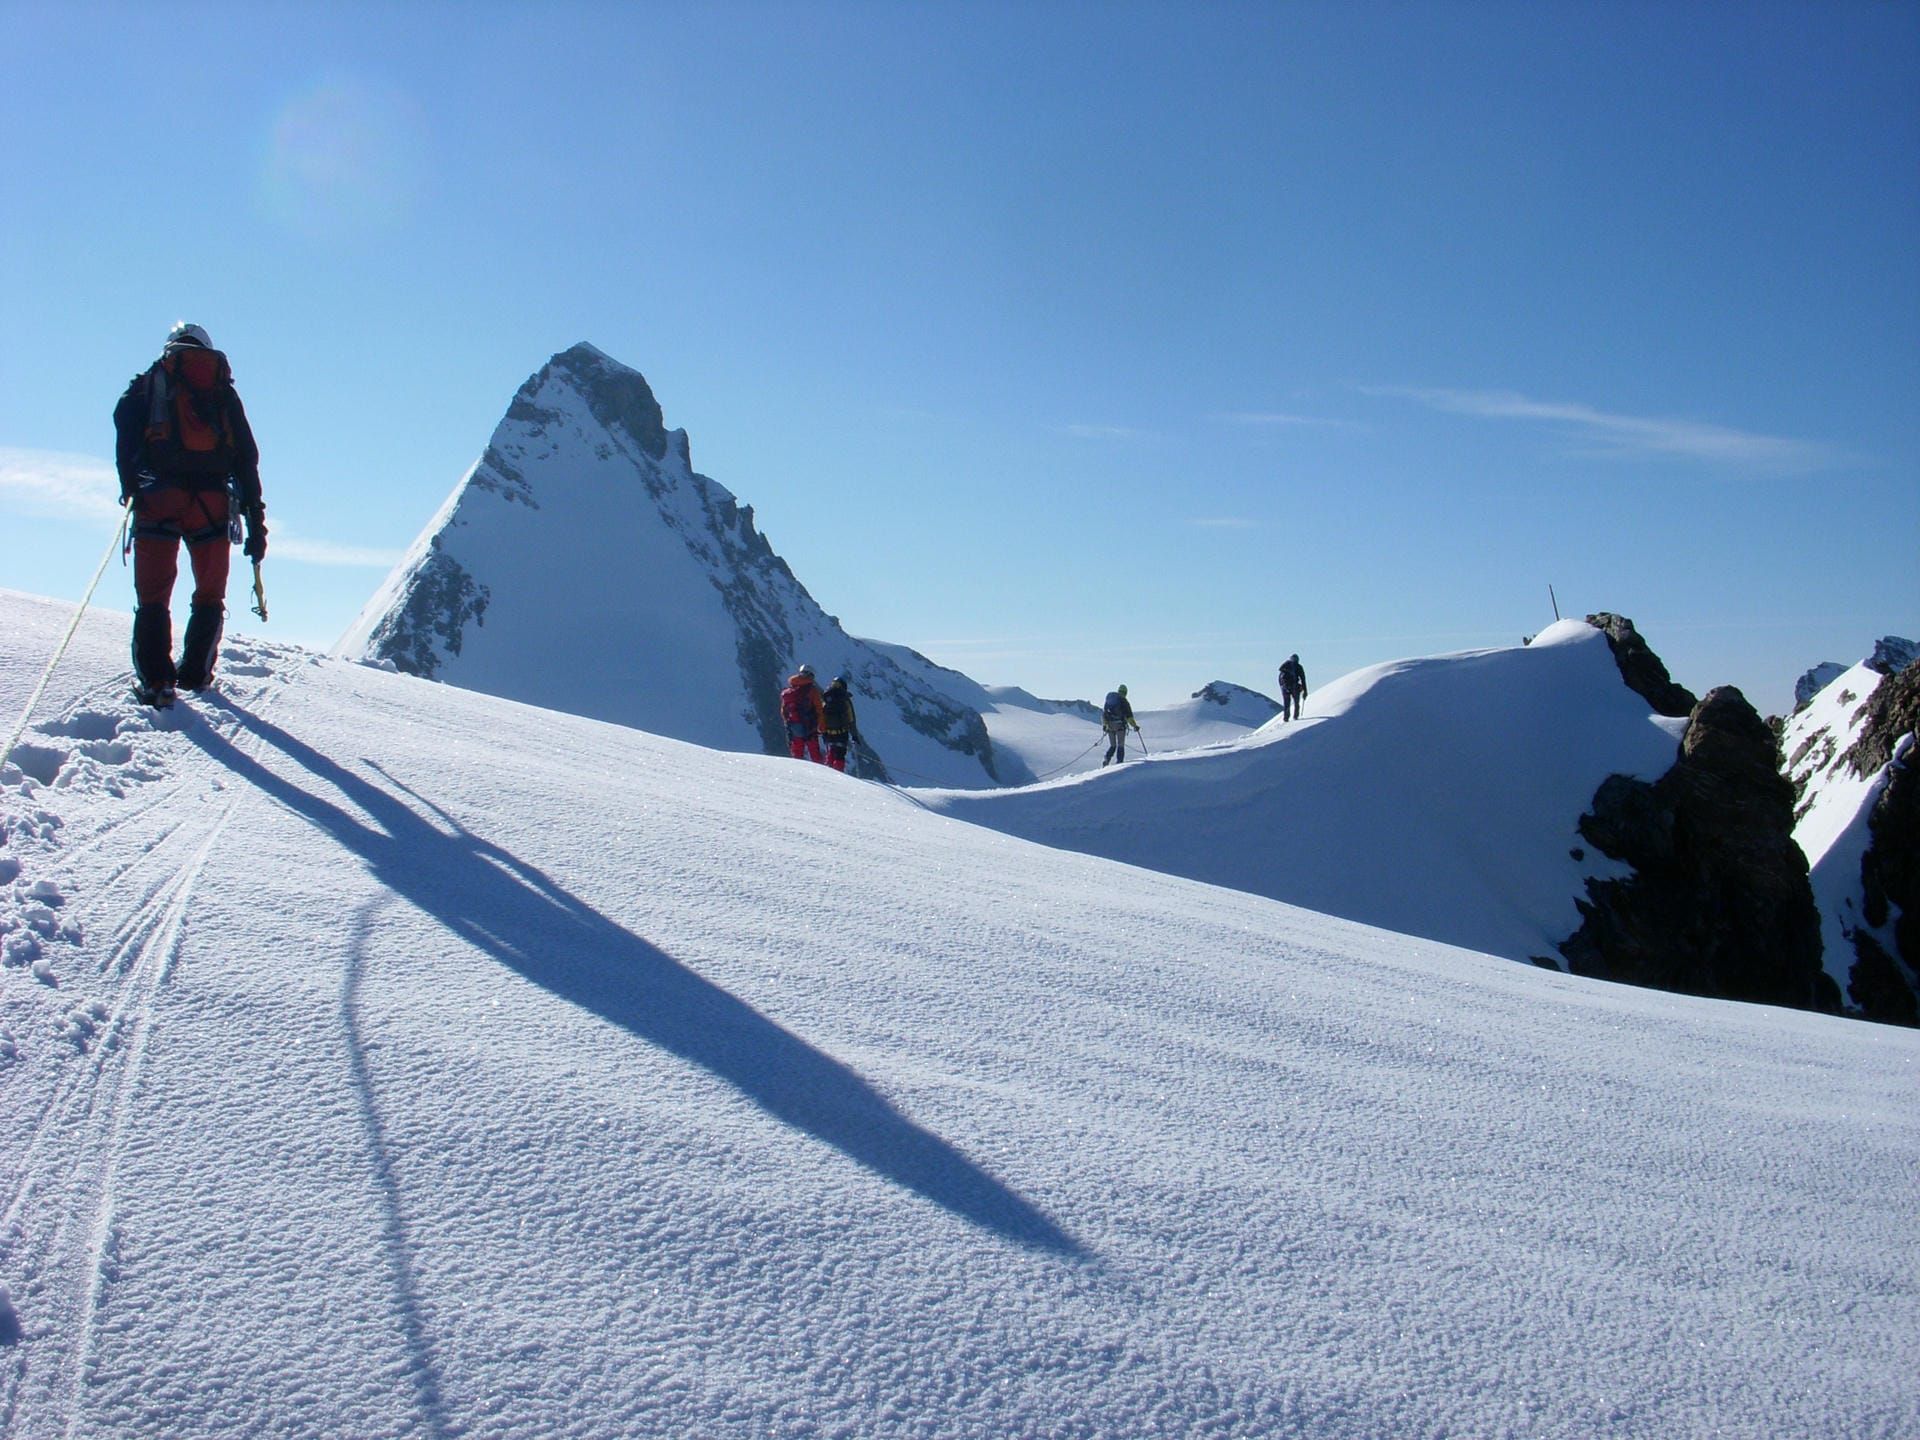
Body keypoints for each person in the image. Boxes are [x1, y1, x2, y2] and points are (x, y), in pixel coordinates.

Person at [112, 323, 266, 705]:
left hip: (158, 499)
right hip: (212, 504)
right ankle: (196, 674)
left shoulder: (151, 382)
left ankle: (156, 683)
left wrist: (130, 486)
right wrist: (255, 519)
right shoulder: (222, 392)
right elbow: (246, 457)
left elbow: (124, 425)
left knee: (153, 595)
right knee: (209, 593)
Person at [779, 664, 827, 763]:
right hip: (810, 725)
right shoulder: (812, 690)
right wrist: (821, 726)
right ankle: (820, 774)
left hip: (794, 725)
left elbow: (784, 710)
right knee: (814, 753)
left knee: (797, 752)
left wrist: (788, 722)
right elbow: (819, 709)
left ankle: (798, 773)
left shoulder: (790, 690)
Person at [820, 674, 863, 773]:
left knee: (831, 750)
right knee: (840, 754)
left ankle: (827, 772)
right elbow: (851, 719)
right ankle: (838, 774)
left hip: (828, 731)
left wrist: (822, 730)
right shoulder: (844, 699)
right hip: (841, 732)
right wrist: (854, 736)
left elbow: (821, 714)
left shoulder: (826, 697)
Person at [1100, 683, 1139, 766]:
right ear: (1125, 692)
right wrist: (1135, 726)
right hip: (1120, 726)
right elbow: (1129, 717)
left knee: (1113, 745)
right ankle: (1119, 763)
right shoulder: (1124, 701)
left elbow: (1104, 714)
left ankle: (1107, 758)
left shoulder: (1110, 701)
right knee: (1120, 745)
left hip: (1109, 726)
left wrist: (1105, 724)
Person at [1278, 653, 1308, 722]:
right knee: (1296, 702)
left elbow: (1280, 679)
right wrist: (1305, 691)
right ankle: (1295, 716)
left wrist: (1283, 687)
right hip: (1294, 687)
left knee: (1286, 703)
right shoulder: (1299, 667)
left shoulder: (1284, 667)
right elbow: (1303, 679)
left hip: (1285, 688)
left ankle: (1286, 718)